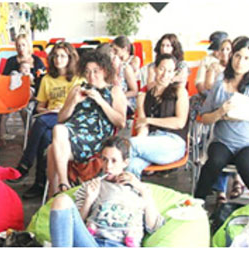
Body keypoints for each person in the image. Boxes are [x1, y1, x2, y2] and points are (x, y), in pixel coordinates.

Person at [49, 136, 164, 247]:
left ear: (125, 162)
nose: (108, 166)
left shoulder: (138, 189)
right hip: (91, 243)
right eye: (104, 160)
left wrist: (143, 190)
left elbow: (153, 226)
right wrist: (89, 200)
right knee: (61, 200)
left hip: (121, 246)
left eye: (114, 161)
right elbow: (75, 224)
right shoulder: (91, 186)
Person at [194, 36, 249, 201]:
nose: (240, 62)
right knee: (214, 162)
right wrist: (220, 112)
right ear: (232, 56)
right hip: (223, 141)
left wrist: (226, 115)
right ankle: (196, 203)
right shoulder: (220, 81)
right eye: (237, 56)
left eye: (246, 58)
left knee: (245, 164)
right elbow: (205, 117)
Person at [46, 50, 127, 196]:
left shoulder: (114, 91)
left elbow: (121, 122)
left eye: (96, 71)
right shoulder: (78, 89)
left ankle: (59, 189)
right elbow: (61, 118)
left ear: (104, 71)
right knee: (56, 136)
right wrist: (74, 102)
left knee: (55, 141)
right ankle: (61, 187)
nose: (91, 76)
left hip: (96, 136)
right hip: (72, 132)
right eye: (87, 71)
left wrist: (100, 101)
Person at [14, 42, 82, 198]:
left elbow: (79, 107)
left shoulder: (78, 79)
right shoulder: (47, 79)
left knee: (40, 123)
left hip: (69, 118)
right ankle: (40, 183)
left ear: (70, 58)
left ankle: (26, 163)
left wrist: (63, 108)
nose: (58, 59)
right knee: (45, 137)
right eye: (56, 56)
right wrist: (48, 110)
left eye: (63, 56)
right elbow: (39, 107)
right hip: (50, 116)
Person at [127, 54, 189, 177]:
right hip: (151, 142)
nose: (165, 75)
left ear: (174, 73)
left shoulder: (180, 92)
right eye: (161, 69)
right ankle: (127, 189)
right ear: (155, 69)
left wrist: (148, 120)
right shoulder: (145, 96)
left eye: (170, 71)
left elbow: (179, 123)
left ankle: (101, 179)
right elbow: (142, 128)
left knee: (127, 146)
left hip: (173, 142)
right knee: (130, 165)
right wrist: (140, 107)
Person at [0, 34, 46, 142]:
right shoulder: (11, 61)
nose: (21, 48)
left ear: (29, 46)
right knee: (10, 105)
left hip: (31, 93)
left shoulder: (37, 61)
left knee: (22, 104)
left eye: (23, 45)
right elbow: (4, 80)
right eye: (18, 45)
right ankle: (2, 134)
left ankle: (27, 134)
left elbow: (41, 81)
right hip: (12, 92)